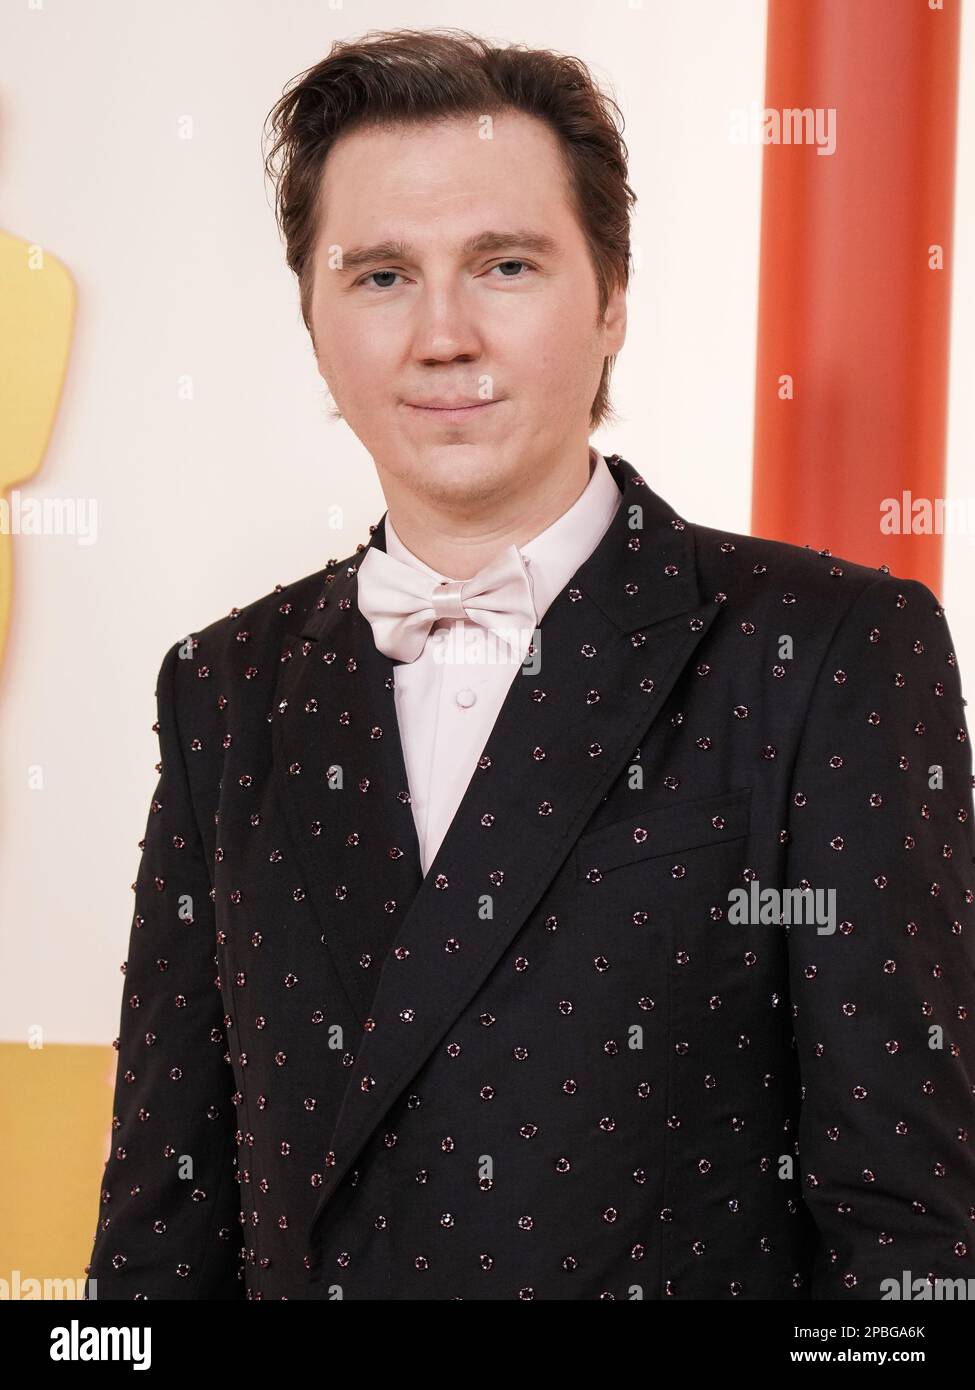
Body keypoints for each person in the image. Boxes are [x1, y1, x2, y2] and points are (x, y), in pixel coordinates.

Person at [85, 28, 975, 1301]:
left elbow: (910, 1243)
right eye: (381, 275)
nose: (443, 334)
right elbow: (157, 1234)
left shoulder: (824, 651)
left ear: (612, 299)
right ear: (313, 319)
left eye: (505, 265)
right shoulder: (222, 686)